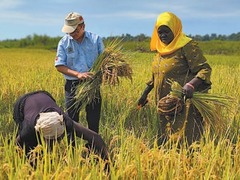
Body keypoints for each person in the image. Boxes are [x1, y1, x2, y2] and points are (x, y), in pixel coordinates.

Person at [137, 12, 212, 146]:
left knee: (185, 140)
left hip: (183, 103)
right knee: (165, 140)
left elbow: (204, 69)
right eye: (160, 32)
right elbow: (156, 76)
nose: (163, 35)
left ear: (175, 29)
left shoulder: (187, 46)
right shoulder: (160, 49)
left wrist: (191, 85)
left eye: (166, 31)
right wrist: (144, 95)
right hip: (164, 104)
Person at [13, 90, 109, 164]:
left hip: (45, 96)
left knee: (48, 149)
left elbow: (95, 137)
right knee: (31, 147)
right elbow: (17, 146)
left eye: (57, 138)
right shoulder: (28, 129)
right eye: (51, 139)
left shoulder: (63, 120)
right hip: (22, 104)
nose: (55, 141)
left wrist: (108, 165)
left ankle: (48, 160)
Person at [55, 12, 104, 133]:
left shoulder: (95, 40)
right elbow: (59, 66)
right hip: (72, 85)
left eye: (75, 31)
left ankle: (93, 147)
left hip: (92, 84)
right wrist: (78, 74)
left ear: (83, 26)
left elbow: (105, 60)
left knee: (93, 118)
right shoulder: (63, 43)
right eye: (69, 32)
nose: (72, 34)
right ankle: (72, 148)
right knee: (71, 119)